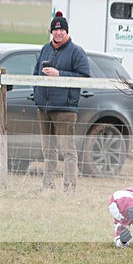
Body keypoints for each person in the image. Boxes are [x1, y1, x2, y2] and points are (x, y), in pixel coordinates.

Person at [33, 11, 90, 193]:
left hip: (65, 109)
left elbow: (84, 77)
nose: (58, 33)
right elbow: (35, 74)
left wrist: (60, 74)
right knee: (48, 150)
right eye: (55, 30)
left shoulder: (76, 52)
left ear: (66, 31)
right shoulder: (45, 49)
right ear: (51, 31)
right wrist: (37, 95)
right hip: (44, 108)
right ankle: (47, 184)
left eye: (61, 30)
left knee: (68, 151)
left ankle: (69, 187)